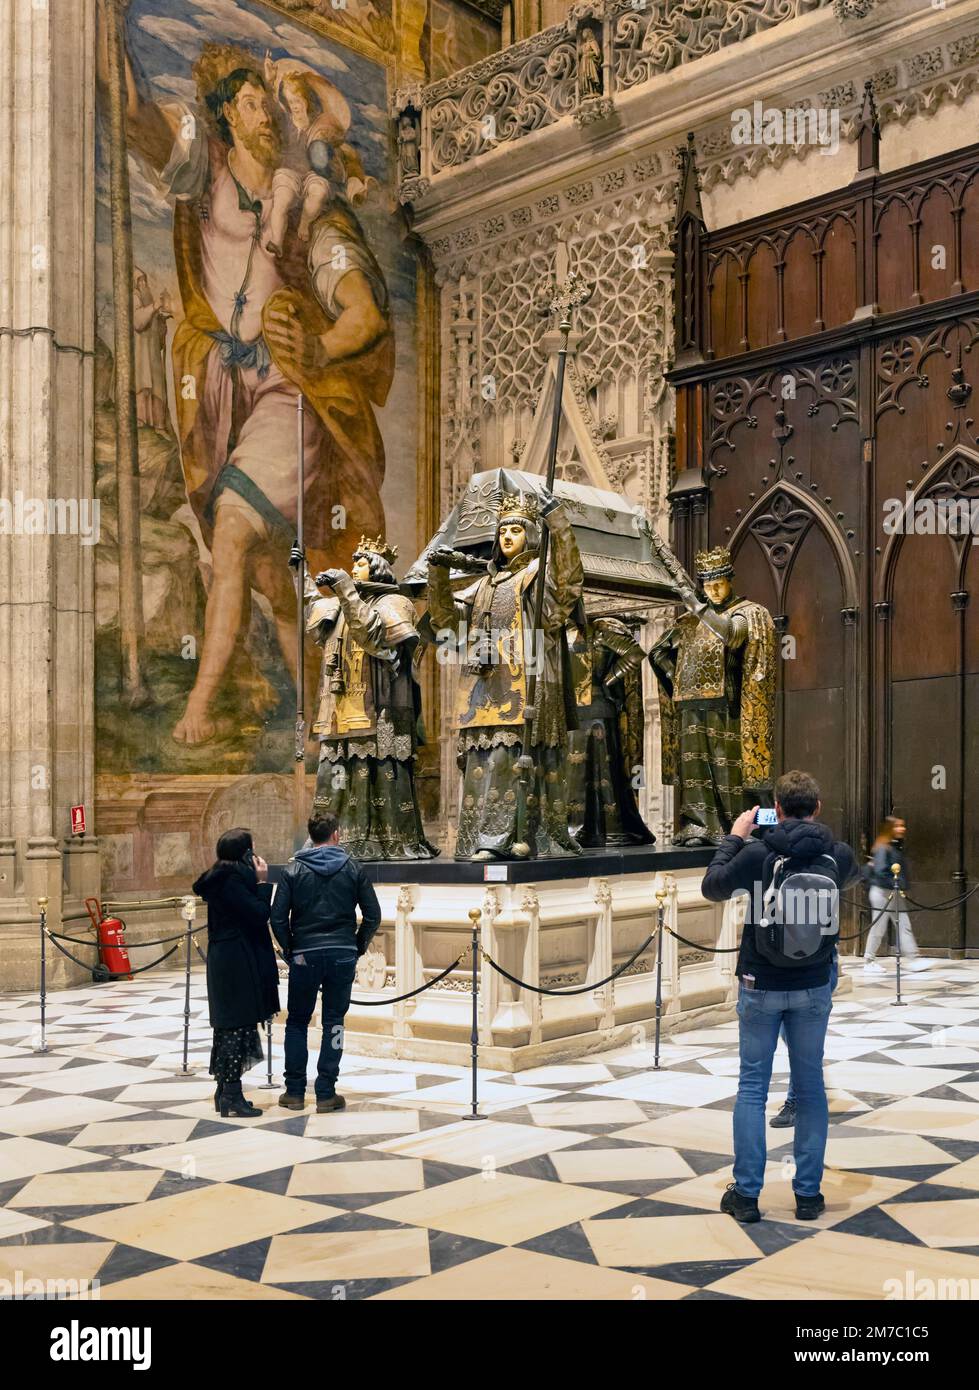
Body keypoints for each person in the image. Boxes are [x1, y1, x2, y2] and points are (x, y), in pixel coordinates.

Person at [701, 769, 857, 1223]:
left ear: (777, 807)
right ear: (818, 807)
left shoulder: (756, 855)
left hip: (760, 984)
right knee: (810, 1087)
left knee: (752, 1088)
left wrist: (734, 838)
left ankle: (747, 1196)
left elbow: (712, 887)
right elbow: (848, 882)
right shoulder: (838, 854)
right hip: (813, 984)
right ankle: (808, 1195)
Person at [426, 488, 583, 861]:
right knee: (483, 764)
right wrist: (438, 576)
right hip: (483, 690)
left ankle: (500, 840)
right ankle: (479, 839)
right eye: (502, 531)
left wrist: (558, 524)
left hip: (525, 685)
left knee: (507, 763)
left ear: (530, 534)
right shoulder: (481, 586)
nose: (507, 536)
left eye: (516, 529)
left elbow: (565, 590)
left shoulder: (534, 575)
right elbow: (448, 625)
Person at [270, 812, 381, 1111]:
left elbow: (277, 917)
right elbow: (373, 915)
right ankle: (326, 1091)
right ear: (336, 834)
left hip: (305, 954)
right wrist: (356, 947)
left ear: (312, 836)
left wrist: (292, 949)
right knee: (334, 1023)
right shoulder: (353, 868)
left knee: (296, 1022)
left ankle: (294, 1091)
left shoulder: (293, 870)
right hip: (342, 953)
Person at [192, 828, 279, 1118]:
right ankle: (231, 1094)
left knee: (231, 1026)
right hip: (235, 961)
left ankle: (225, 1091)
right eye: (252, 849)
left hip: (230, 958)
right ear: (245, 854)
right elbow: (257, 914)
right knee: (236, 1026)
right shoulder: (231, 882)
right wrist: (264, 883)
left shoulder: (225, 878)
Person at [863, 815, 928, 974]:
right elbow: (880, 871)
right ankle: (869, 960)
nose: (902, 829)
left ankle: (913, 959)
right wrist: (896, 884)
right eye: (898, 826)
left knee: (904, 925)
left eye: (902, 826)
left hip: (892, 892)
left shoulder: (894, 846)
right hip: (882, 892)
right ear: (890, 829)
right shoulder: (883, 848)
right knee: (879, 927)